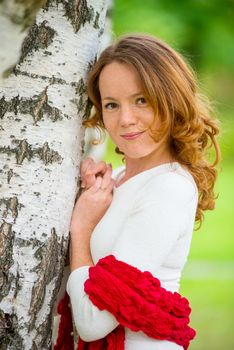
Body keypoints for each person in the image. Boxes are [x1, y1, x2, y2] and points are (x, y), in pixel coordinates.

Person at [55, 34, 220, 350]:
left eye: (141, 100)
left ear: (171, 99)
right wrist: (87, 191)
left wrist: (83, 226)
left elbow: (92, 323)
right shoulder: (119, 178)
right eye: (112, 105)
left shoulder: (169, 187)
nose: (126, 120)